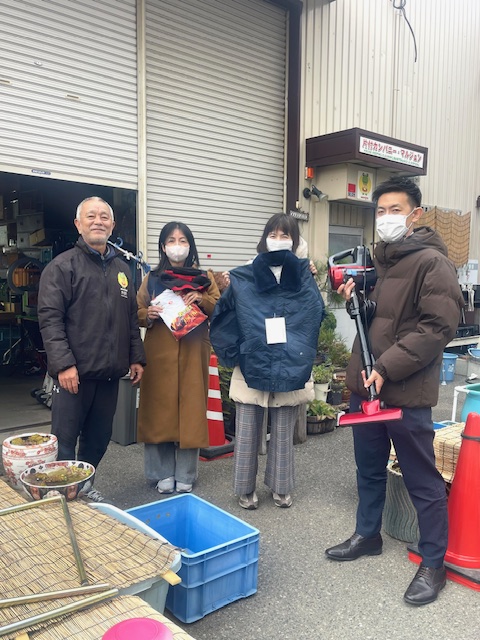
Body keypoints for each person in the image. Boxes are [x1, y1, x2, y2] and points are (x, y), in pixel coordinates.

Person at [325, 176, 464, 606]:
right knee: (368, 469)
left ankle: (434, 562)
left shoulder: (431, 263)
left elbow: (437, 328)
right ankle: (368, 535)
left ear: (415, 215)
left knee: (421, 478)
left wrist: (386, 367)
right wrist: (355, 300)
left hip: (404, 390)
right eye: (381, 211)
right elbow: (380, 319)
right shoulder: (380, 262)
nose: (386, 218)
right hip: (366, 388)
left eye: (395, 210)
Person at [210, 213, 325, 509]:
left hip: (290, 361)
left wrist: (303, 350)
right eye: (273, 234)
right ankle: (244, 488)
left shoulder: (303, 274)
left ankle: (281, 487)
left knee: (284, 430)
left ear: (295, 241)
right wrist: (235, 351)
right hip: (252, 359)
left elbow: (315, 314)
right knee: (247, 428)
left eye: (285, 235)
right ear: (264, 239)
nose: (278, 240)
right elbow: (224, 317)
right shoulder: (245, 274)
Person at [38, 197, 146, 500]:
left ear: (112, 225)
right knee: (65, 439)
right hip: (74, 375)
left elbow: (129, 319)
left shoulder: (122, 269)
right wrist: (63, 365)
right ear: (78, 224)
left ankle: (83, 486)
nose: (98, 221)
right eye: (91, 216)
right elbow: (50, 319)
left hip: (109, 373)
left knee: (98, 438)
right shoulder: (62, 267)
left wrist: (136, 357)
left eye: (104, 217)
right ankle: (61, 495)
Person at [136, 222, 220, 494]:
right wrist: (146, 314)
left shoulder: (204, 277)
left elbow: (218, 307)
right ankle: (161, 473)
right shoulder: (152, 278)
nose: (177, 245)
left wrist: (201, 299)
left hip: (194, 351)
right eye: (171, 240)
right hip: (159, 353)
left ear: (190, 246)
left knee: (191, 410)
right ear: (163, 246)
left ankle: (186, 474)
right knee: (158, 410)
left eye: (183, 240)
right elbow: (136, 309)